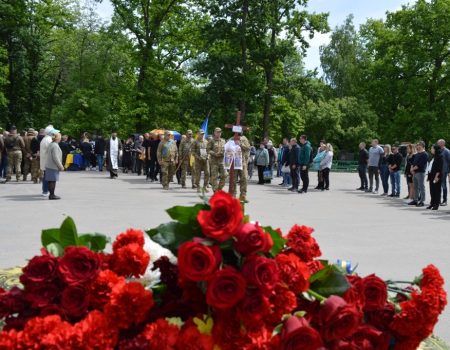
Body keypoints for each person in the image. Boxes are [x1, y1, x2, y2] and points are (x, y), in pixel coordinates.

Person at [45, 133, 65, 200]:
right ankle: (52, 195)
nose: (61, 138)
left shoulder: (51, 144)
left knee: (50, 181)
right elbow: (55, 157)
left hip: (49, 165)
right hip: (53, 166)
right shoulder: (55, 145)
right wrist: (61, 166)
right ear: (58, 138)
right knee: (53, 181)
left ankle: (51, 194)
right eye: (60, 137)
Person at [408, 141, 428, 207]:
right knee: (415, 187)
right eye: (417, 145)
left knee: (421, 187)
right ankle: (415, 200)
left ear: (422, 146)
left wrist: (413, 169)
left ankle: (422, 201)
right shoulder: (417, 154)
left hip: (420, 172)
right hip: (415, 172)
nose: (417, 146)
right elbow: (413, 163)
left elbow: (420, 164)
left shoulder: (424, 154)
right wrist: (411, 169)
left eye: (418, 145)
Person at [232, 132, 251, 201]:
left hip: (242, 162)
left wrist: (240, 144)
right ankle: (233, 195)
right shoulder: (231, 139)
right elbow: (226, 149)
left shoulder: (244, 139)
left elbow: (248, 148)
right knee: (233, 179)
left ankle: (243, 195)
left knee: (244, 178)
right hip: (233, 162)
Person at [208, 127, 226, 192]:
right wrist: (214, 153)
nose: (219, 133)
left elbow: (226, 149)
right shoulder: (211, 141)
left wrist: (223, 152)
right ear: (214, 133)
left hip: (222, 161)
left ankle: (219, 189)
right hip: (214, 161)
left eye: (220, 132)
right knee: (214, 177)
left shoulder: (223, 141)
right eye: (217, 132)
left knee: (224, 175)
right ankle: (215, 191)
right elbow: (208, 150)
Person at [427, 144, 443, 210]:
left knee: (436, 191)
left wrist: (437, 177)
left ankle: (436, 204)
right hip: (431, 176)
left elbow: (439, 168)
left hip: (436, 176)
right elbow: (431, 167)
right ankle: (432, 203)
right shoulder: (434, 157)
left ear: (435, 149)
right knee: (432, 190)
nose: (431, 150)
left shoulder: (440, 156)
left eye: (432, 148)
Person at [437, 139, 450, 206]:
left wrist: (449, 172)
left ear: (442, 144)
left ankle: (445, 200)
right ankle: (438, 200)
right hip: (438, 171)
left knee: (444, 186)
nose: (437, 144)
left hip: (444, 171)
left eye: (438, 143)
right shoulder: (439, 151)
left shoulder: (447, 151)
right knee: (438, 186)